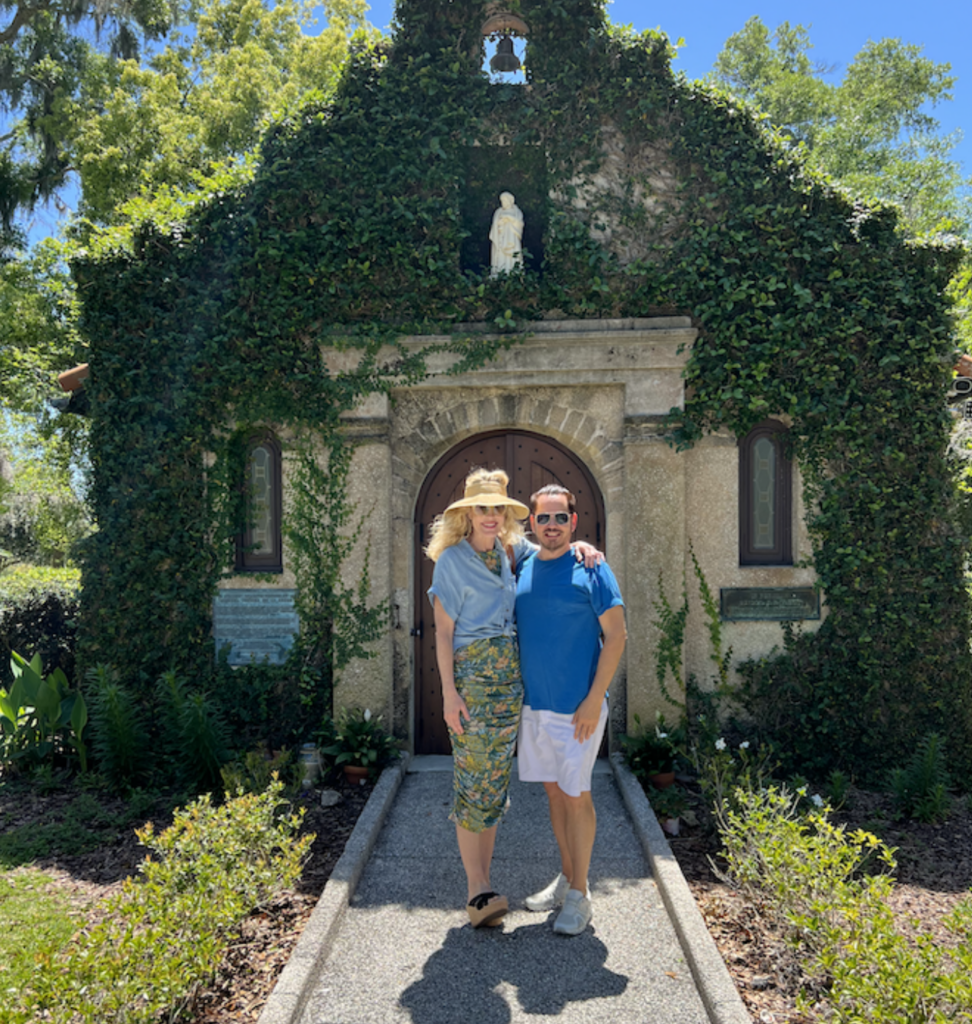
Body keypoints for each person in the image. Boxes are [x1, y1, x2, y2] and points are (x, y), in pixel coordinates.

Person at [426, 468, 600, 928]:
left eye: (497, 508)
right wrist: (448, 694)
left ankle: (486, 884)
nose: (490, 515)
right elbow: (443, 635)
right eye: (482, 508)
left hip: (510, 689)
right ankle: (476, 889)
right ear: (467, 514)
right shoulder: (450, 561)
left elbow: (553, 548)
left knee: (493, 787)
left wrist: (584, 547)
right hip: (473, 685)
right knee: (472, 784)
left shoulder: (510, 552)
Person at [514, 483, 626, 936]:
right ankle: (566, 878)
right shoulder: (522, 564)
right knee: (555, 794)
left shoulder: (592, 569)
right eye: (544, 518)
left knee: (577, 796)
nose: (553, 526)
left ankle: (581, 895)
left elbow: (617, 636)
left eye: (562, 518)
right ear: (533, 524)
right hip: (535, 706)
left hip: (579, 707)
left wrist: (595, 698)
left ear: (574, 522)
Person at [489, 191, 524, 275]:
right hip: (501, 238)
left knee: (513, 255)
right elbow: (495, 225)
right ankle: (500, 272)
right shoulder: (498, 212)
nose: (503, 203)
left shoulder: (517, 211)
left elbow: (519, 223)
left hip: (513, 238)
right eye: (502, 201)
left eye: (505, 200)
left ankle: (514, 272)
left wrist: (509, 218)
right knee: (501, 256)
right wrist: (501, 223)